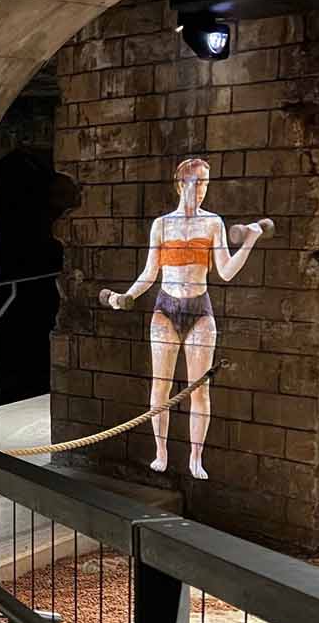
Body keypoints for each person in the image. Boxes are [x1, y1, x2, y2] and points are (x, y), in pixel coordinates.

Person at [102, 157, 267, 479]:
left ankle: (195, 457)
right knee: (160, 387)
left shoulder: (213, 223)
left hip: (199, 310)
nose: (201, 189)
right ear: (180, 185)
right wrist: (126, 297)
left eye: (205, 182)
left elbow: (226, 272)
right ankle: (161, 451)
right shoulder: (162, 225)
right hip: (166, 309)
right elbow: (150, 273)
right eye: (195, 182)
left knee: (199, 390)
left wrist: (250, 241)